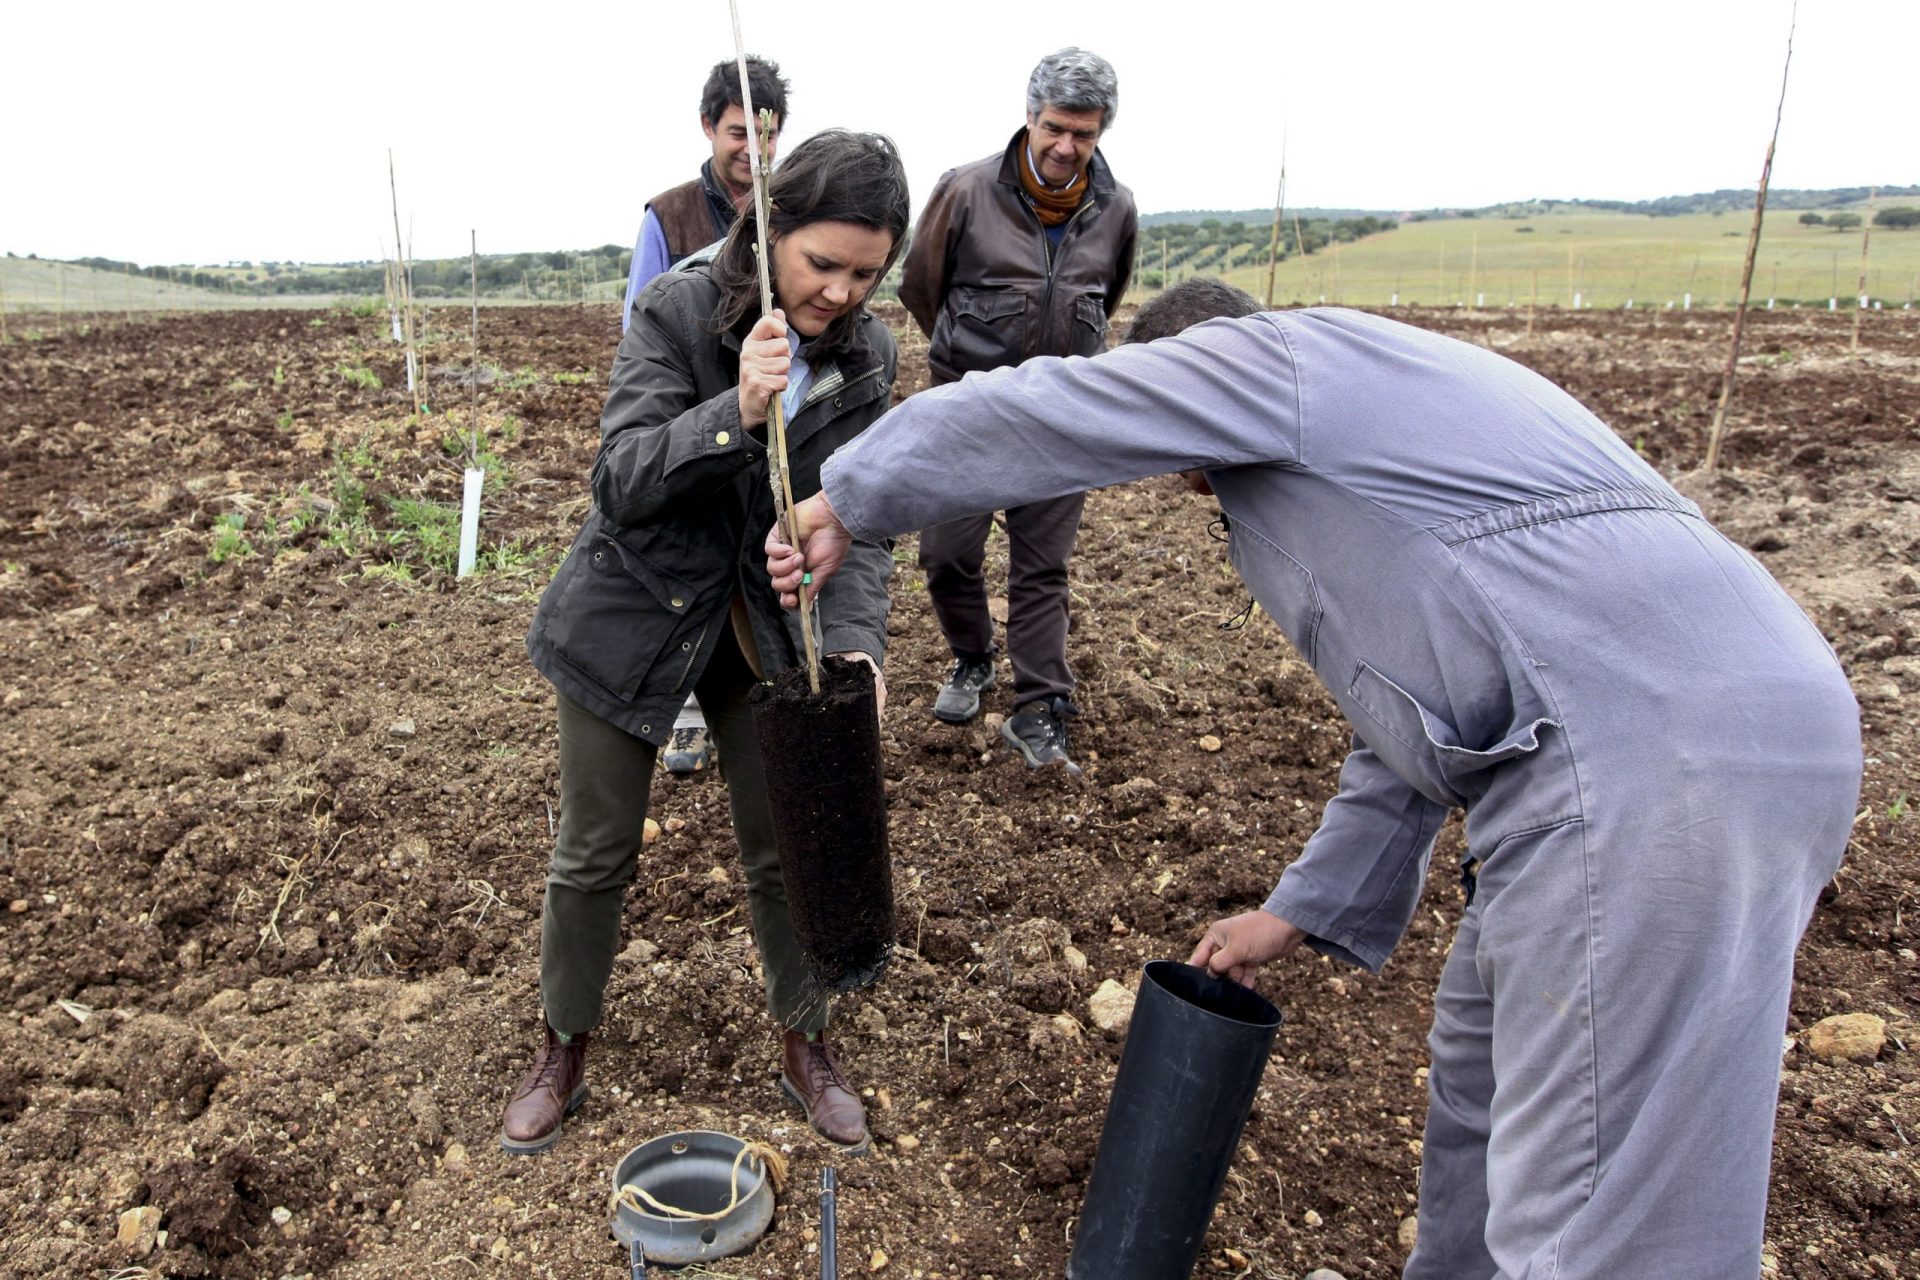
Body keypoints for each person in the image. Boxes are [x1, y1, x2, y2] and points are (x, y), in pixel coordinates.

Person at [769, 280, 1863, 1278]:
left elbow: (1050, 407)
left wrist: (853, 497)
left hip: (1640, 762)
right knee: (1484, 1086)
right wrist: (1295, 912)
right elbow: (1420, 722)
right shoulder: (1406, 395)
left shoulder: (1273, 360)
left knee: (1603, 1216)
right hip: (1716, 719)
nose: (1190, 483)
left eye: (1186, 461)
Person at [502, 130, 911, 1159]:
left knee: (790, 844)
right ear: (773, 227)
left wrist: (851, 637)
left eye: (867, 273)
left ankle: (805, 1037)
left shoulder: (870, 354)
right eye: (822, 264)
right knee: (594, 850)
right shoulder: (677, 308)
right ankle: (563, 1043)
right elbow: (623, 480)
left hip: (769, 626)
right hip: (635, 616)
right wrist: (735, 408)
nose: (840, 293)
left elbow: (863, 514)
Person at [897, 47, 1137, 771]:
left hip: (1061, 421)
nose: (1067, 146)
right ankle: (973, 658)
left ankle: (1039, 708)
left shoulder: (1116, 208)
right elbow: (920, 288)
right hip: (968, 413)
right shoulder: (966, 192)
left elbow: (1107, 297)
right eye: (1056, 127)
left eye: (1084, 134)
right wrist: (973, 354)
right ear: (1030, 118)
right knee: (946, 556)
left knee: (1042, 570)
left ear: (1101, 134)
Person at [623, 55, 792, 775]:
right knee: (684, 560)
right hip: (690, 420)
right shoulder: (668, 216)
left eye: (767, 137)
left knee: (756, 559)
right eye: (737, 134)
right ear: (708, 128)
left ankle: (752, 702)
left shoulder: (791, 212)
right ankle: (683, 712)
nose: (752, 152)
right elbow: (639, 324)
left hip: (765, 424)